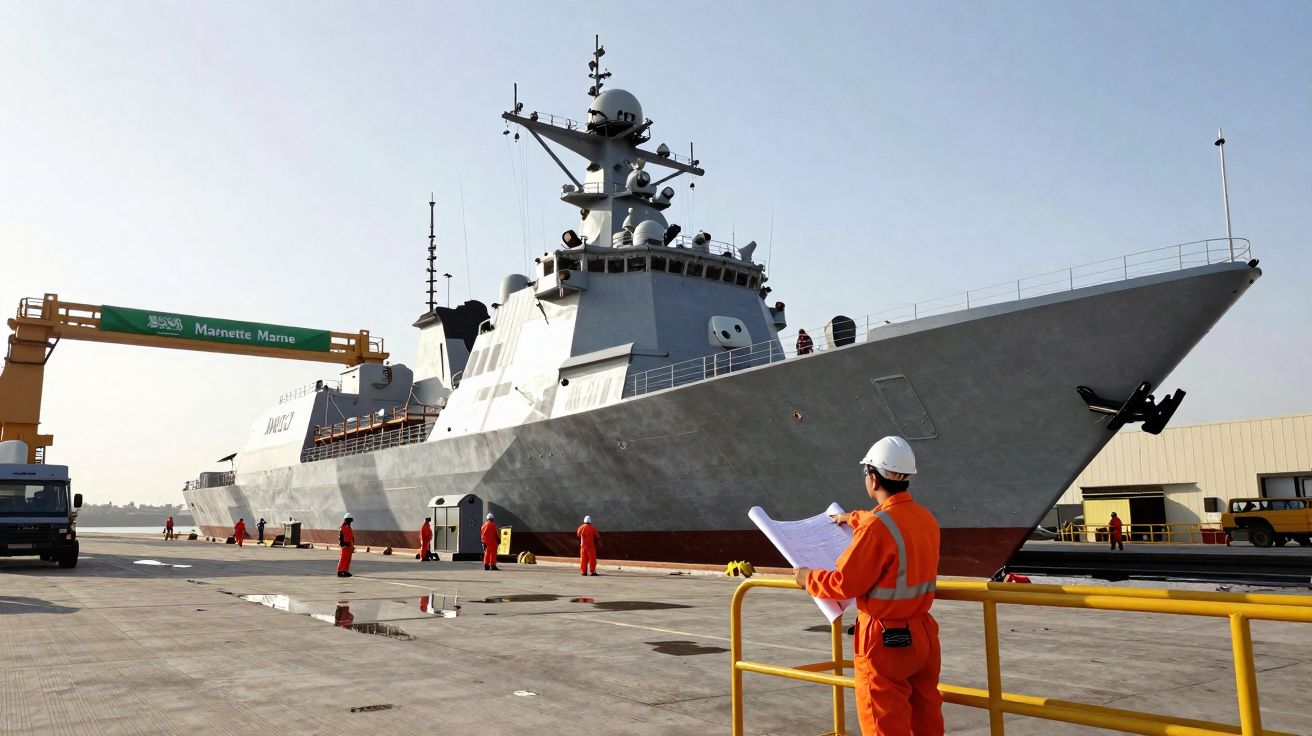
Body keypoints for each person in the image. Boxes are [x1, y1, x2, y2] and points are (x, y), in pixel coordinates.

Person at [794, 436, 943, 735]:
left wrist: (806, 578)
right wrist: (849, 518)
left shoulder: (877, 528)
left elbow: (845, 583)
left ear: (873, 478)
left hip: (884, 639)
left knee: (883, 723)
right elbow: (881, 520)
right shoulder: (926, 519)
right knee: (925, 717)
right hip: (923, 634)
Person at [337, 513, 355, 577]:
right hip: (345, 546)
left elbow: (351, 537)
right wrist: (342, 544)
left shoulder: (348, 527)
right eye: (349, 520)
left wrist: (352, 546)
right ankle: (340, 571)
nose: (350, 521)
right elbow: (340, 537)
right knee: (343, 559)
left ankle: (345, 571)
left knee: (348, 559)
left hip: (349, 546)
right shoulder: (343, 528)